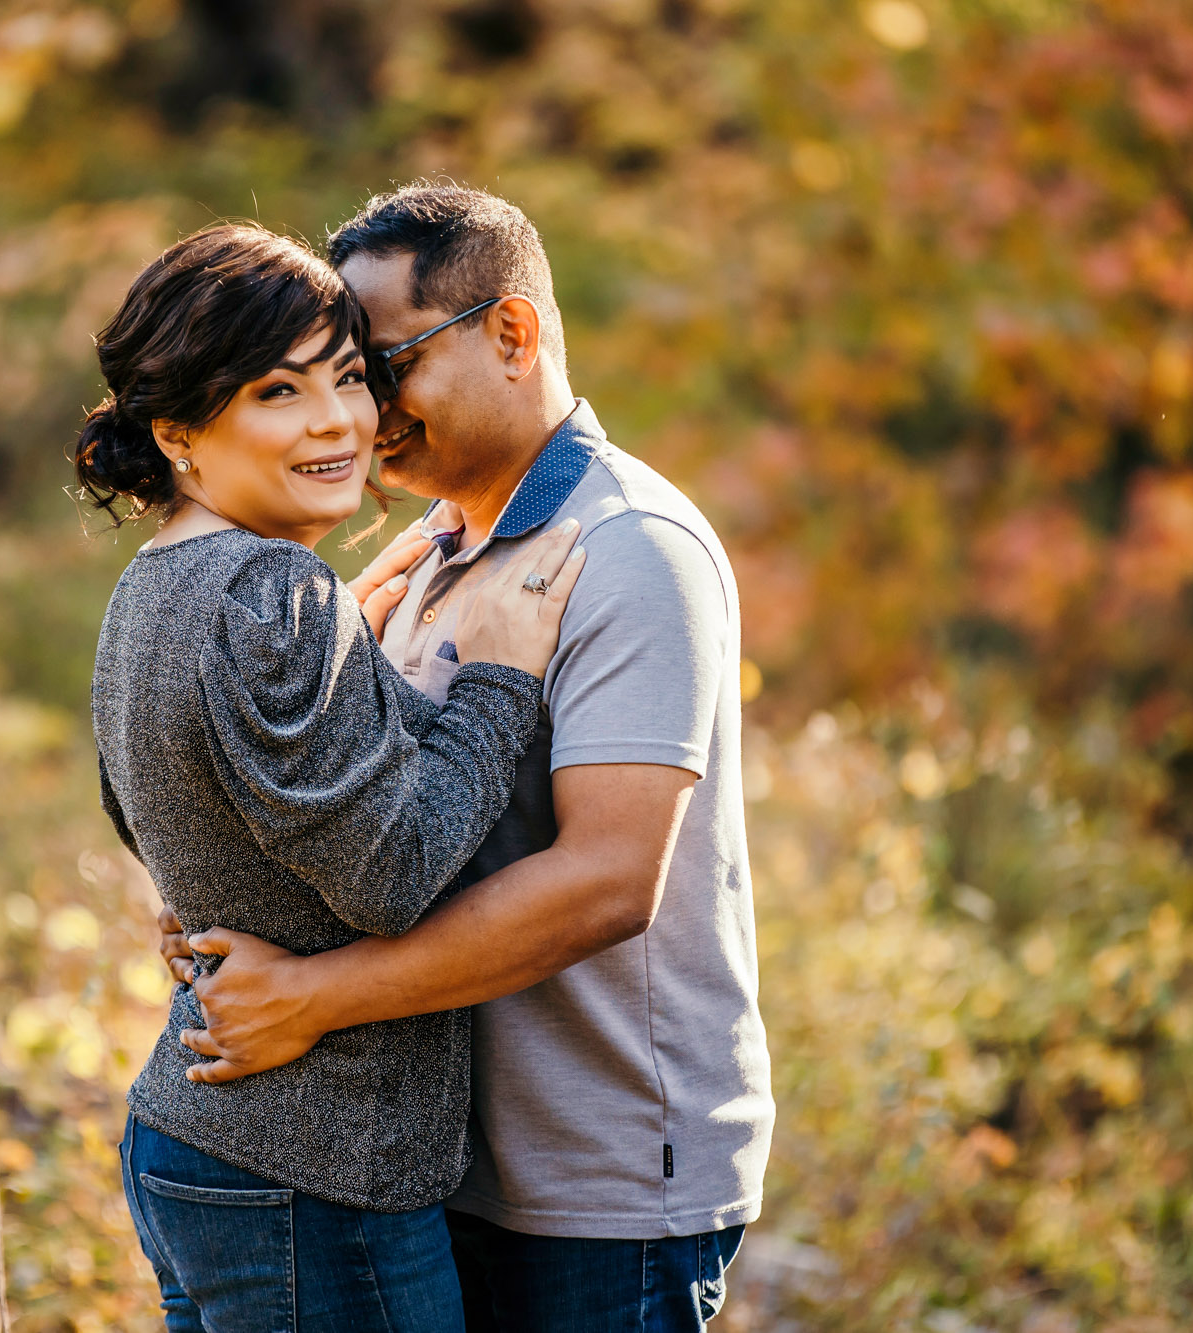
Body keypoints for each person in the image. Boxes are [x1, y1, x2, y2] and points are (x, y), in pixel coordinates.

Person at [161, 184, 775, 1331]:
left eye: (381, 368)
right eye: (343, 375)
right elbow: (378, 820)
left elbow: (605, 882)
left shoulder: (628, 551)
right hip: (442, 1164)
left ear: (510, 332)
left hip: (597, 1190)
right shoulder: (436, 549)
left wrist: (310, 999)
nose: (360, 413)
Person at [80, 222, 586, 1333]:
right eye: (275, 391)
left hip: (202, 1145)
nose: (338, 422)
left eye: (351, 377)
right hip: (314, 1171)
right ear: (178, 434)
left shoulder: (155, 586)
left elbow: (150, 809)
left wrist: (349, 659)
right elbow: (395, 875)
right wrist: (496, 677)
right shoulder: (276, 595)